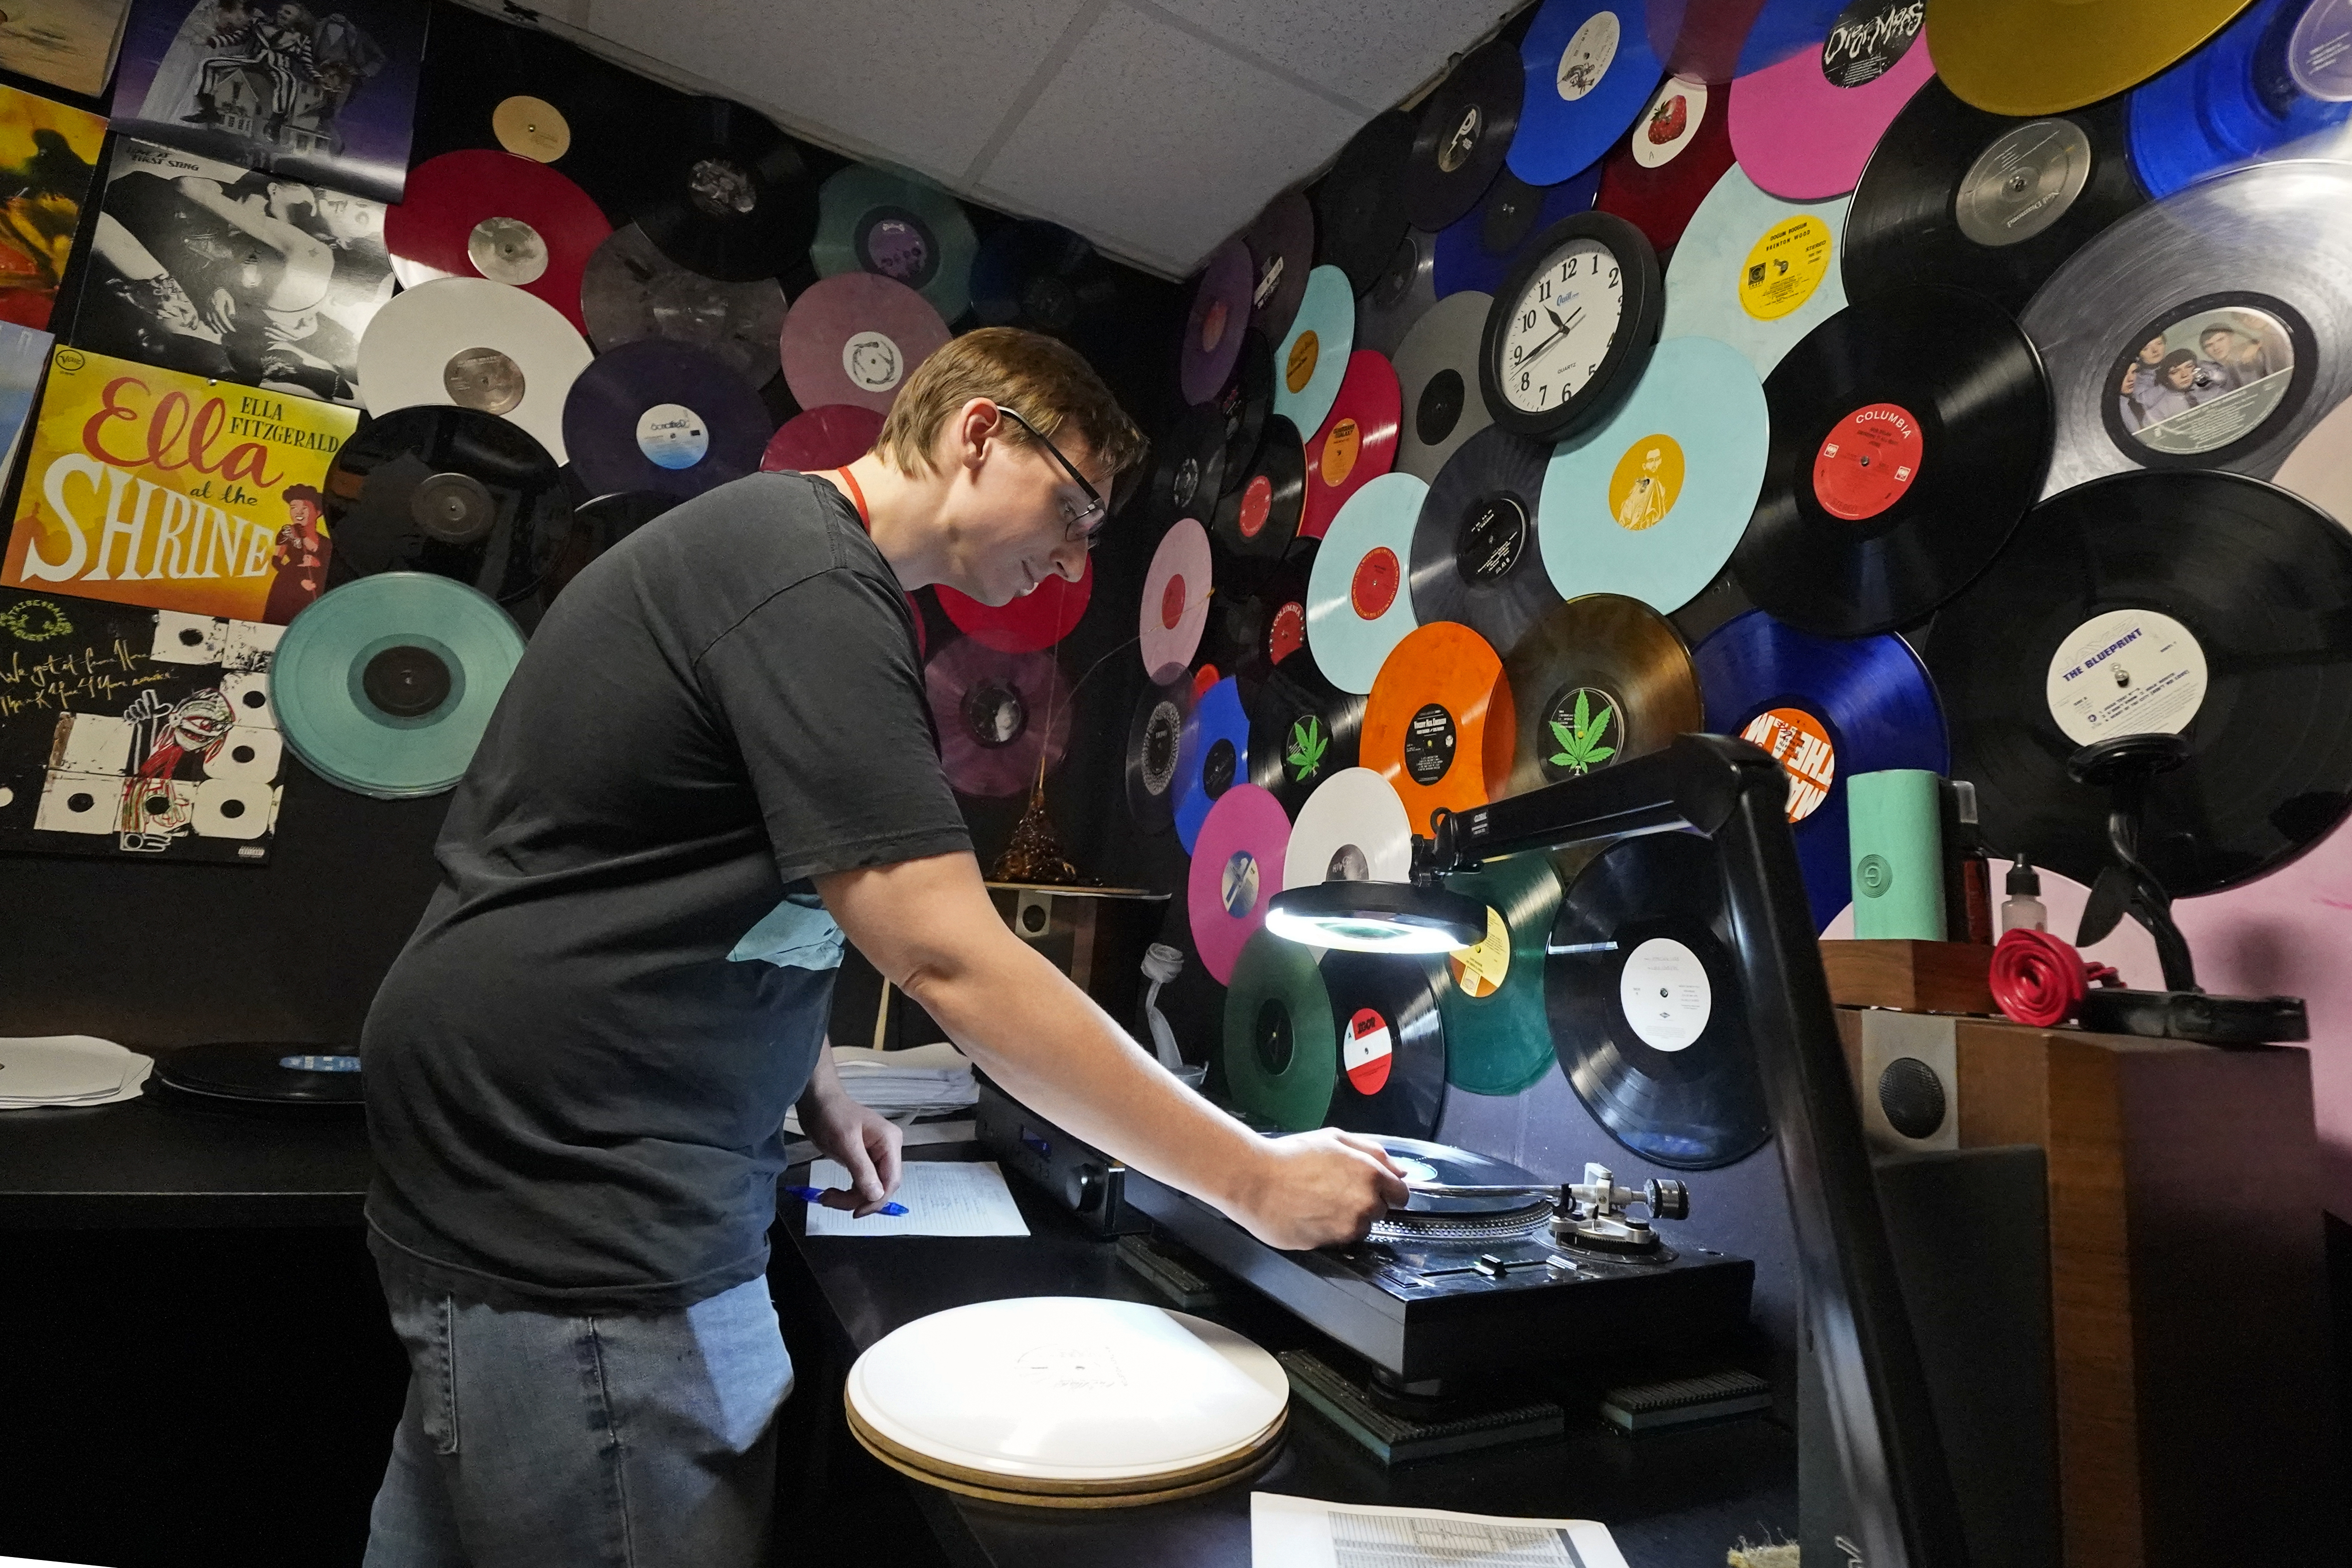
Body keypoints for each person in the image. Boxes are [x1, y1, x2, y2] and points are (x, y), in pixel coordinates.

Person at [356, 328, 1410, 1568]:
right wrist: (1253, 1178)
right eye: (1071, 507)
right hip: (581, 1182)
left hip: (516, 1146)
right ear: (976, 432)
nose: (1071, 558)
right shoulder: (804, 573)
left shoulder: (788, 568)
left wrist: (814, 1077)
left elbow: (674, 868)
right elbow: (944, 954)